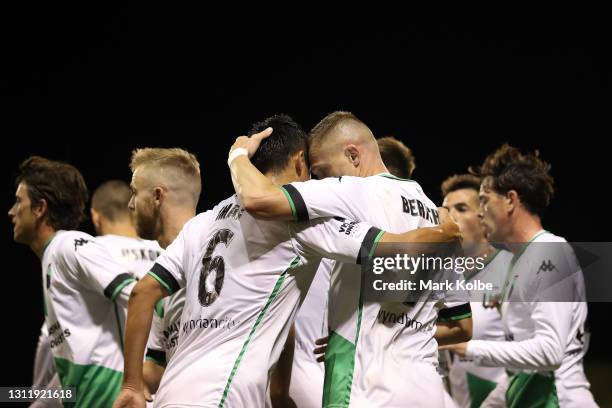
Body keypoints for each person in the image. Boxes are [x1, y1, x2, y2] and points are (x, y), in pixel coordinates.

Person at [113, 114, 461, 408]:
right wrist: (445, 232)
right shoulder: (302, 224)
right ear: (298, 161)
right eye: (316, 171)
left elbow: (143, 292)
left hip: (175, 390)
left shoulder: (200, 223)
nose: (322, 181)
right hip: (231, 391)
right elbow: (396, 249)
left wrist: (130, 386)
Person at [227, 111, 472, 407]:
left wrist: (238, 154)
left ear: (353, 155)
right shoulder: (437, 216)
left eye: (322, 171)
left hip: (365, 389)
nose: (319, 180)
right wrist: (387, 332)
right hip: (426, 387)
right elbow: (462, 326)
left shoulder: (355, 190)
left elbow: (257, 199)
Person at [443, 145, 596, 407]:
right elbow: (522, 372)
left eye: (484, 200)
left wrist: (466, 347)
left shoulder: (550, 252)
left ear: (511, 200)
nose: (481, 212)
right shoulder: (520, 262)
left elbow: (550, 352)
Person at [9, 157, 140, 407]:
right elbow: (67, 382)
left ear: (40, 208)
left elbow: (137, 294)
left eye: (18, 201)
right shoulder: (54, 254)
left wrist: (144, 375)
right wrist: (15, 396)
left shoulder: (69, 245)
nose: (12, 211)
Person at [126, 148, 201, 400]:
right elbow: (157, 369)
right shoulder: (162, 277)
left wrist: (130, 386)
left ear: (157, 196)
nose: (130, 204)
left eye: (135, 192)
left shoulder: (213, 250)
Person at [441, 174, 511, 407]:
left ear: (484, 216)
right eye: (444, 209)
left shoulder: (512, 270)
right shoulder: (442, 280)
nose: (449, 216)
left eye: (461, 208)